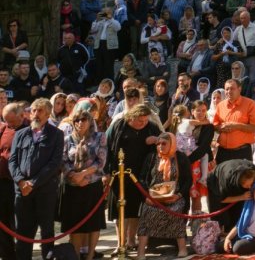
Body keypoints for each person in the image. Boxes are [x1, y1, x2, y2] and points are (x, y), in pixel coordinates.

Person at [9, 98, 63, 260]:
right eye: (33, 111)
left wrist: (33, 183)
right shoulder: (20, 134)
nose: (35, 115)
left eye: (40, 111)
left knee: (47, 230)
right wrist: (20, 181)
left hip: (44, 191)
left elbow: (54, 164)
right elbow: (13, 161)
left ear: (48, 114)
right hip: (22, 192)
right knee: (23, 231)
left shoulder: (56, 135)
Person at [105, 101, 161, 247]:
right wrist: (107, 171)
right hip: (120, 173)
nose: (143, 123)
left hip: (141, 175)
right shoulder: (119, 126)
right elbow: (107, 148)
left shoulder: (151, 127)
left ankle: (131, 240)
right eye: (140, 120)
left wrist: (156, 140)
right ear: (132, 117)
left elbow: (165, 140)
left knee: (135, 209)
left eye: (145, 120)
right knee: (120, 209)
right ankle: (120, 242)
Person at [61, 104, 107, 260]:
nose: (80, 123)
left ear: (89, 121)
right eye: (77, 120)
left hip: (92, 185)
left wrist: (84, 175)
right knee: (76, 223)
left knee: (93, 222)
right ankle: (75, 254)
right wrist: (74, 175)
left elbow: (100, 161)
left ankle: (90, 254)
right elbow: (63, 161)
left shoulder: (99, 137)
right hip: (72, 186)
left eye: (84, 120)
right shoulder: (67, 139)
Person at [135, 132, 191, 259]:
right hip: (153, 198)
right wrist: (146, 197)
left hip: (174, 196)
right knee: (147, 212)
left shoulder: (180, 157)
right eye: (158, 144)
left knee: (176, 210)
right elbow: (142, 179)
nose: (160, 146)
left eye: (164, 144)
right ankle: (141, 252)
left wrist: (179, 195)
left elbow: (188, 180)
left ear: (171, 144)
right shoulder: (151, 157)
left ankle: (182, 249)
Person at [212, 78, 255, 163]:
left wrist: (237, 126)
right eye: (227, 89)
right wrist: (221, 128)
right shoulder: (220, 105)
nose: (229, 91)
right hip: (223, 151)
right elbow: (215, 125)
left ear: (239, 89)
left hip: (241, 152)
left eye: (232, 88)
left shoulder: (250, 104)